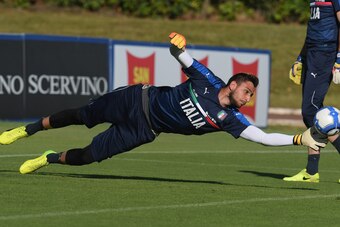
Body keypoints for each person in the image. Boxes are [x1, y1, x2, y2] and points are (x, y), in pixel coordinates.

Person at [0, 32, 326, 175]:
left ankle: (49, 158)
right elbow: (180, 54)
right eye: (247, 90)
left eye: (252, 95)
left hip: (144, 129)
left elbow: (265, 138)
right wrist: (177, 43)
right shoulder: (206, 80)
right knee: (82, 115)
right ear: (233, 83)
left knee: (88, 157)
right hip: (134, 99)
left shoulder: (231, 119)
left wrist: (299, 139)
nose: (249, 97)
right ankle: (26, 131)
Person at [285, 0, 340, 183]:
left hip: (325, 52)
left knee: (311, 109)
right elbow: (312, 29)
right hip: (313, 52)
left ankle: (311, 171)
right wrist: (301, 58)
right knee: (311, 111)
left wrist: (339, 59)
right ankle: (311, 172)